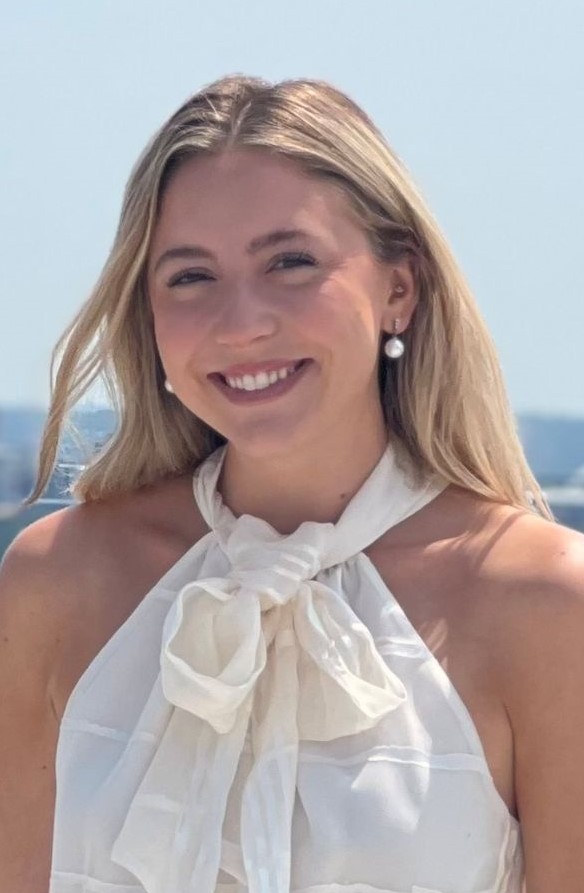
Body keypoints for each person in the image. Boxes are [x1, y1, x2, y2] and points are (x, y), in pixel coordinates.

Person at [1, 74, 583, 893]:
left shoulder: (545, 603)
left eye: (291, 262)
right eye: (191, 277)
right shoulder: (56, 579)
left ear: (399, 289)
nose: (242, 323)